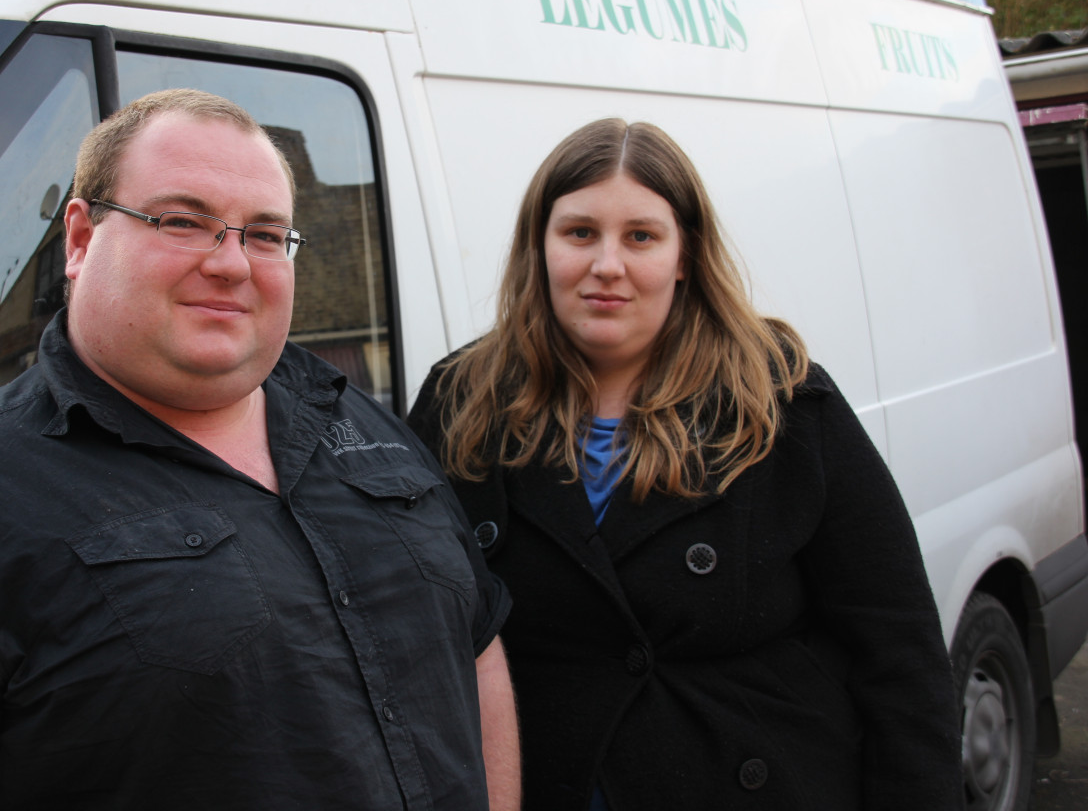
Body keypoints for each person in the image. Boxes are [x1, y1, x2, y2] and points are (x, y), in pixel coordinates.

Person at [0, 89, 519, 811]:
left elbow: (473, 648)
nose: (231, 263)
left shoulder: (357, 420)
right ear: (81, 238)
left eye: (264, 234)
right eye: (182, 222)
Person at [407, 119, 962, 810]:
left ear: (684, 255)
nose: (606, 263)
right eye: (580, 232)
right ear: (540, 246)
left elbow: (899, 650)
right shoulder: (463, 402)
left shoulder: (781, 402)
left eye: (640, 235)